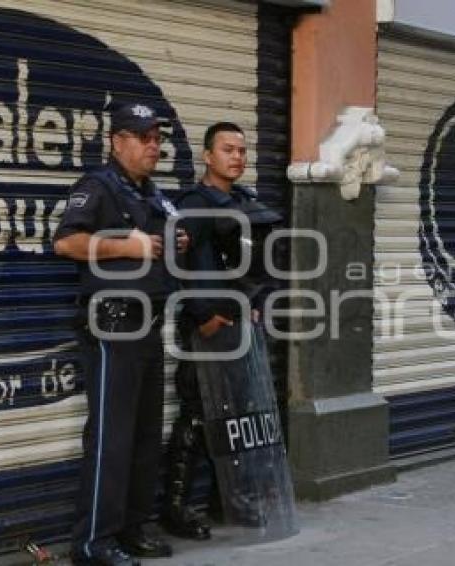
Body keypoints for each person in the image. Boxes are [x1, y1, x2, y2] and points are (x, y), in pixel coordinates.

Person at [54, 102, 186, 566]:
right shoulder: (98, 186)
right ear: (117, 141)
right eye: (144, 137)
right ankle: (93, 543)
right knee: (112, 437)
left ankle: (132, 527)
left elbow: (160, 243)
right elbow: (66, 242)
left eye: (158, 139)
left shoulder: (153, 193)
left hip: (148, 325)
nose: (154, 146)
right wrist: (124, 245)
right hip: (112, 326)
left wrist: (174, 241)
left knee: (146, 435)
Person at [161, 122, 284, 539]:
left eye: (242, 150)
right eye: (228, 149)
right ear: (207, 156)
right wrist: (202, 316)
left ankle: (227, 499)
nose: (237, 157)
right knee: (197, 416)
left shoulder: (247, 202)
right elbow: (176, 268)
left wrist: (253, 306)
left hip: (241, 325)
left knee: (237, 415)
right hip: (206, 329)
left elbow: (261, 265)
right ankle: (175, 509)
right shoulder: (193, 205)